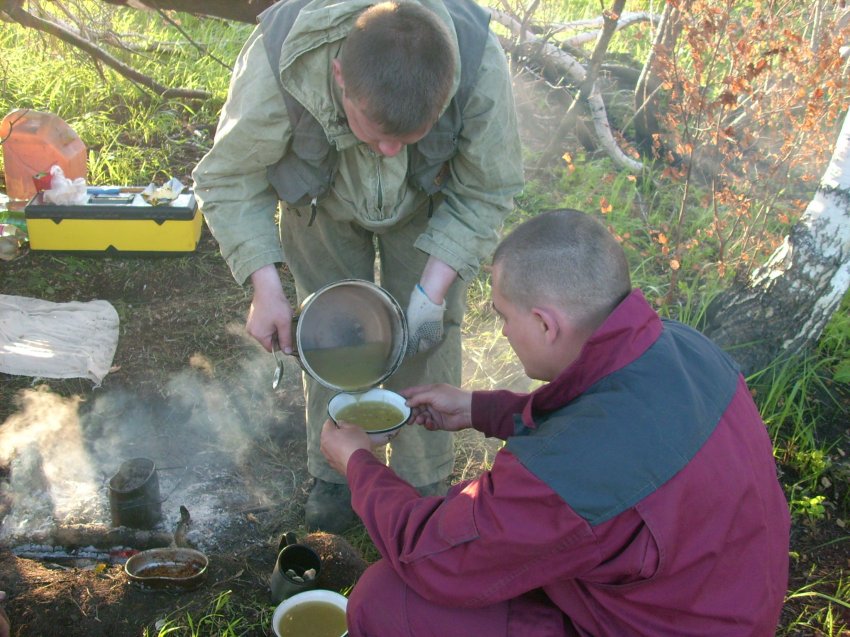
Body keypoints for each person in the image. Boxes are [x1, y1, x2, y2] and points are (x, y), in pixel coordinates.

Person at [320, 209, 791, 636]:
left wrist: (358, 463)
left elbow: (431, 555)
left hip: (660, 625)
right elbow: (598, 415)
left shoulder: (570, 477)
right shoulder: (682, 346)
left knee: (386, 600)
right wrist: (478, 408)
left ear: (547, 324)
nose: (502, 331)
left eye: (504, 316)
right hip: (717, 599)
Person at [191, 0, 523, 533]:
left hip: (427, 201)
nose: (390, 151)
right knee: (329, 332)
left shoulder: (478, 61)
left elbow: (487, 188)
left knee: (425, 338)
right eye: (375, 132)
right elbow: (228, 177)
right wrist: (264, 283)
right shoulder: (281, 59)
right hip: (317, 195)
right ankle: (337, 469)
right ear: (339, 76)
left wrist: (429, 295)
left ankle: (421, 477)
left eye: (408, 136)